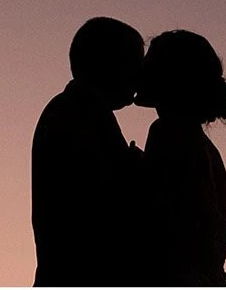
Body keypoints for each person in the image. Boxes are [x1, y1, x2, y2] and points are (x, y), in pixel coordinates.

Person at [32, 16, 146, 286]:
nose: (139, 74)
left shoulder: (77, 110)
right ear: (107, 62)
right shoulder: (77, 113)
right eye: (133, 61)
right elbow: (104, 202)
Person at [137, 30, 226, 287]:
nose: (139, 68)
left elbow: (159, 227)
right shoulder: (207, 150)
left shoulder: (167, 132)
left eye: (149, 62)